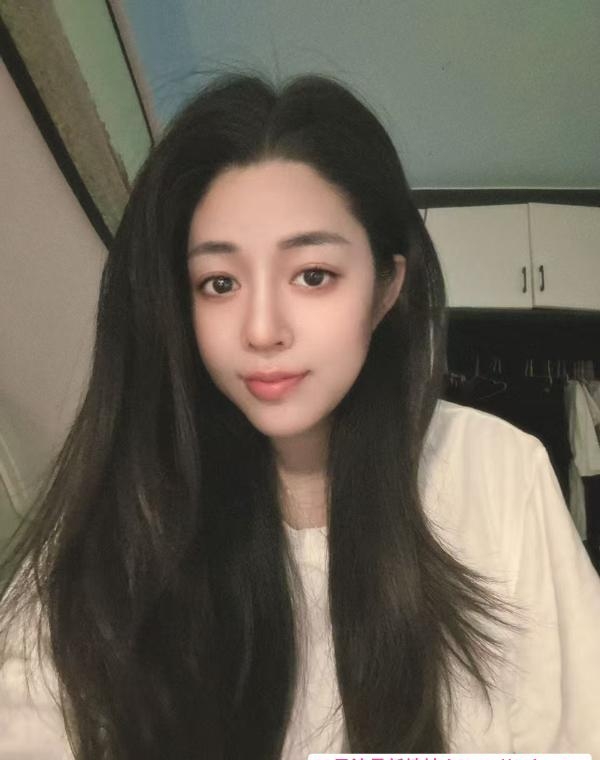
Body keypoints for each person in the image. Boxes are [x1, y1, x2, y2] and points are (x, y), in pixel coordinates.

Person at [1, 71, 600, 760]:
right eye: (219, 283)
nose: (262, 329)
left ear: (385, 289)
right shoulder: (126, 503)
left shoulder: (496, 472)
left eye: (313, 275)